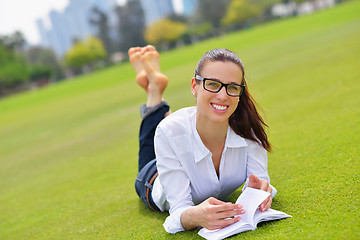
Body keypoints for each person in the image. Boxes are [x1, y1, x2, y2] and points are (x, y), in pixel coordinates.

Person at [130, 45, 277, 234]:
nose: (223, 95)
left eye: (232, 87)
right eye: (213, 84)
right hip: (153, 178)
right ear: (194, 86)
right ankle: (154, 92)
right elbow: (177, 212)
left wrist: (260, 193)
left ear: (240, 93)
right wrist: (193, 216)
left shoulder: (249, 129)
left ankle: (157, 94)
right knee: (154, 144)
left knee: (177, 128)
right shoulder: (170, 131)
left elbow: (260, 183)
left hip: (183, 132)